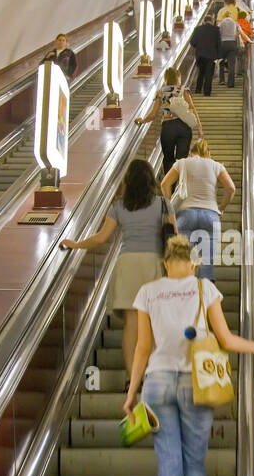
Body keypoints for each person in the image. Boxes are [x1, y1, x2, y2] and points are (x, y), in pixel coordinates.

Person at [126, 235, 254, 476]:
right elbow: (225, 339)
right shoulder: (204, 288)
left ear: (166, 263)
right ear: (193, 263)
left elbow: (142, 348)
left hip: (156, 383)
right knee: (194, 464)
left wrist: (131, 394)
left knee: (169, 465)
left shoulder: (148, 293)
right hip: (197, 383)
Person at [60, 159, 174, 380]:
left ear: (128, 182)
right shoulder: (163, 204)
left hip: (127, 265)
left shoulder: (119, 206)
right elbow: (174, 238)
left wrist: (76, 244)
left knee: (132, 323)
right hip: (154, 264)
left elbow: (101, 238)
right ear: (151, 180)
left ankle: (133, 378)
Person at [161, 137, 234, 280]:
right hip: (210, 215)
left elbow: (164, 184)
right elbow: (231, 188)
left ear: (190, 152)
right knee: (206, 265)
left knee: (184, 262)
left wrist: (171, 205)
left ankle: (186, 297)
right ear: (208, 153)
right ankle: (205, 298)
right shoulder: (216, 165)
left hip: (185, 214)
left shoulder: (182, 163)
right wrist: (221, 208)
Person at [136, 67, 202, 177]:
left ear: (166, 78)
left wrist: (142, 121)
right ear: (178, 78)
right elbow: (192, 109)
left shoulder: (161, 92)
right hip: (184, 128)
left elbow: (153, 114)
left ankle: (169, 188)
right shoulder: (184, 90)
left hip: (168, 128)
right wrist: (200, 128)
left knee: (168, 159)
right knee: (182, 161)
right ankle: (179, 189)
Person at [216, 12, 252, 88]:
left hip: (222, 44)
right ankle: (231, 83)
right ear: (230, 16)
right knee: (231, 64)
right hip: (232, 43)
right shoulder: (235, 23)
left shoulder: (220, 23)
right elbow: (242, 33)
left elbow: (216, 33)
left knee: (221, 62)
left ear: (224, 16)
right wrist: (249, 40)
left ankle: (222, 80)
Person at [188, 14, 220, 97]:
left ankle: (198, 89)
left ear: (204, 21)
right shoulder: (216, 30)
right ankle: (207, 92)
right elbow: (219, 43)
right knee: (209, 74)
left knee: (201, 72)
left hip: (200, 55)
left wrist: (198, 47)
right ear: (212, 22)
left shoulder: (197, 29)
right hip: (211, 55)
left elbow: (192, 42)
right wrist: (219, 55)